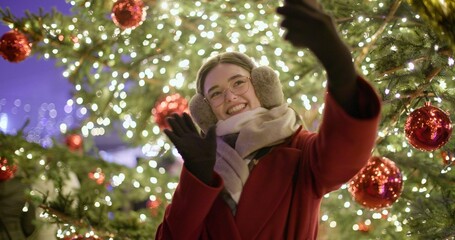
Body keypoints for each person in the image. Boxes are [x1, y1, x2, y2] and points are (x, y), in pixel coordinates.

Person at [155, 0, 381, 239]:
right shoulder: (203, 167)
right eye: (216, 93)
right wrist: (197, 179)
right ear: (206, 110)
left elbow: (344, 156)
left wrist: (339, 66)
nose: (230, 96)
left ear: (261, 86)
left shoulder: (300, 149)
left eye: (238, 82)